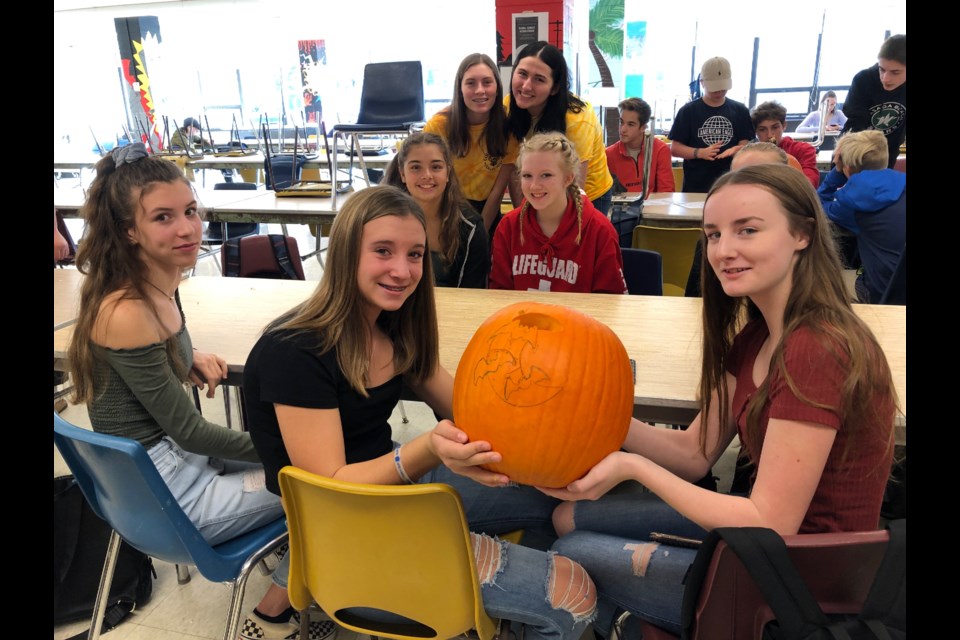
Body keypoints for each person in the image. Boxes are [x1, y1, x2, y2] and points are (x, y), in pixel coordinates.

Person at [542, 163, 897, 637]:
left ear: (802, 234)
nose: (724, 251)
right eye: (712, 235)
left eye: (747, 230)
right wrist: (598, 413)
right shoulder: (756, 334)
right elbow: (693, 455)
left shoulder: (818, 348)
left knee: (571, 553)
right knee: (567, 517)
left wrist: (632, 468)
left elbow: (770, 519)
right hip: (760, 543)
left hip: (805, 583)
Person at [242, 184, 597, 640]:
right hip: (343, 527)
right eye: (383, 251)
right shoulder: (295, 351)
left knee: (552, 495)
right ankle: (474, 593)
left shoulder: (394, 330)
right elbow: (332, 487)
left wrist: (542, 396)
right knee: (573, 598)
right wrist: (427, 448)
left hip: (394, 494)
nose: (402, 270)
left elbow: (468, 410)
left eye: (415, 255)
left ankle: (495, 602)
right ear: (346, 252)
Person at [65, 143, 332, 640]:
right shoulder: (128, 310)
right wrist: (291, 452)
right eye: (163, 217)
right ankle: (277, 611)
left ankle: (302, 571)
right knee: (325, 483)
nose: (187, 228)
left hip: (152, 481)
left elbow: (145, 368)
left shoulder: (153, 282)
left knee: (308, 462)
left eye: (190, 211)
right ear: (129, 230)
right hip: (174, 494)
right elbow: (191, 432)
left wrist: (183, 359)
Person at [489, 132, 627, 294]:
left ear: (568, 178)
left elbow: (611, 303)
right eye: (527, 175)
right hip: (523, 319)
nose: (534, 186)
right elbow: (499, 295)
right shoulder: (509, 227)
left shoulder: (599, 230)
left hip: (579, 320)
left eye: (546, 175)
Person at [505, 41, 614, 215]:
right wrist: (522, 217)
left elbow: (575, 185)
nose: (526, 86)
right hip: (543, 185)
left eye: (539, 79)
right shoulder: (509, 107)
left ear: (555, 88)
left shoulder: (577, 119)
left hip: (590, 194)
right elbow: (511, 168)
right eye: (522, 74)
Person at [423, 53, 521, 235]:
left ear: (497, 87)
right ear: (459, 88)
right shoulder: (438, 126)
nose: (479, 90)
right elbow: (430, 182)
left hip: (487, 209)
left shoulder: (508, 128)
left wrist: (479, 234)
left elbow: (497, 191)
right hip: (446, 206)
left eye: (487, 82)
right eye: (470, 83)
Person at [384, 132, 490, 288]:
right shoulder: (383, 220)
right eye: (415, 167)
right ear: (402, 174)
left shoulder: (471, 226)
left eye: (436, 167)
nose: (427, 175)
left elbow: (471, 292)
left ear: (447, 172)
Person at [818, 130, 906, 303]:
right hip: (898, 287)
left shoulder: (851, 203)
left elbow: (819, 202)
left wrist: (836, 172)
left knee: (826, 283)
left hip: (884, 296)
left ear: (847, 168)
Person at [668, 56, 754, 193]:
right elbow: (675, 148)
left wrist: (738, 149)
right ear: (702, 83)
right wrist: (700, 153)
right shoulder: (688, 111)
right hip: (696, 185)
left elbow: (745, 144)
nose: (719, 92)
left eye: (723, 88)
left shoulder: (740, 110)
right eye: (715, 89)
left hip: (732, 183)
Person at [841, 34, 906, 169]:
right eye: (881, 69)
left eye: (895, 72)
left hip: (887, 156)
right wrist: (844, 152)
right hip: (854, 154)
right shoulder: (863, 80)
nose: (885, 78)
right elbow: (855, 122)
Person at [606, 97, 675, 194]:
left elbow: (666, 192)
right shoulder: (609, 154)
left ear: (643, 127)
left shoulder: (660, 150)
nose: (623, 129)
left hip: (652, 207)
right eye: (621, 122)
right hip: (620, 207)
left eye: (630, 124)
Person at [751, 100, 820, 187]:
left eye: (775, 127)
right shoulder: (751, 154)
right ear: (755, 131)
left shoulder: (803, 150)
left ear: (784, 126)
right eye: (762, 129)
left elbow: (810, 183)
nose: (769, 135)